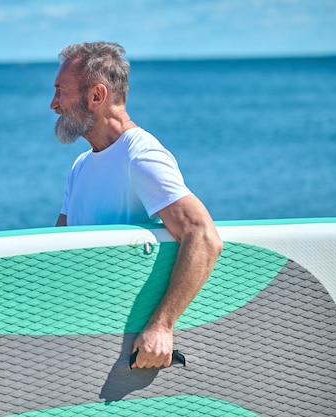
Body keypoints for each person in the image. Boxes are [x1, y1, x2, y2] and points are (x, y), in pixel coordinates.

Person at [51, 41, 223, 369]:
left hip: (123, 352)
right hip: (83, 339)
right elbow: (58, 251)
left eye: (61, 92)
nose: (53, 104)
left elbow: (203, 236)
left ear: (96, 96)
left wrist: (162, 325)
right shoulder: (81, 166)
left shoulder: (140, 156)